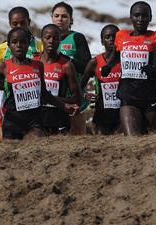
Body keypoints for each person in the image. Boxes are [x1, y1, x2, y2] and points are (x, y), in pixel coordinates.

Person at [101, 1, 156, 135]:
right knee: (133, 140)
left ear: (150, 18)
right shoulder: (121, 36)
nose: (140, 19)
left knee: (149, 141)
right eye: (137, 15)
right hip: (128, 95)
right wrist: (108, 66)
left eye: (145, 16)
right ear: (130, 17)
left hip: (150, 96)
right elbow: (115, 56)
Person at [0, 27, 78, 140]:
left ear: (28, 44)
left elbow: (44, 94)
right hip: (12, 122)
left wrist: (64, 106)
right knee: (12, 155)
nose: (19, 45)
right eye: (14, 42)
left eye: (23, 42)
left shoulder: (38, 65)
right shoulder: (3, 67)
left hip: (34, 123)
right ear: (9, 45)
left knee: (35, 151)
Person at [0, 6, 43, 141]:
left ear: (29, 22)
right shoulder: (2, 49)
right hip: (9, 102)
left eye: (22, 23)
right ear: (9, 24)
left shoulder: (40, 46)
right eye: (15, 24)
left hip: (35, 102)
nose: (19, 26)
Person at [51, 1, 92, 135]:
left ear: (71, 19)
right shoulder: (47, 39)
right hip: (54, 96)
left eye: (64, 16)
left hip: (74, 95)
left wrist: (64, 57)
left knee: (77, 137)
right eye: (56, 16)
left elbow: (86, 67)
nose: (60, 19)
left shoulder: (77, 38)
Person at [35, 24, 81, 135]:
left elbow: (76, 98)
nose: (51, 41)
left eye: (55, 38)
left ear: (60, 40)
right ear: (42, 40)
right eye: (47, 38)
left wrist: (53, 99)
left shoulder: (67, 65)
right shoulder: (33, 63)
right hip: (36, 120)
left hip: (59, 119)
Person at [82, 24, 121, 135]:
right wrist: (85, 95)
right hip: (102, 115)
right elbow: (80, 85)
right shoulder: (95, 62)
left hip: (124, 112)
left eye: (115, 36)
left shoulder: (125, 59)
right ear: (102, 41)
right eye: (107, 37)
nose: (111, 39)